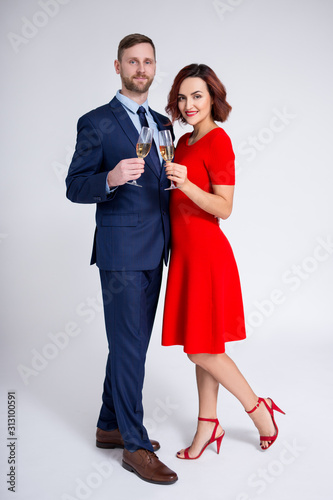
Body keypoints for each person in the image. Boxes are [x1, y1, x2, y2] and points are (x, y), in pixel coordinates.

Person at [66, 34, 178, 485]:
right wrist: (109, 178)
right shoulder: (95, 122)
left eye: (147, 61)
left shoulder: (161, 121)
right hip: (121, 254)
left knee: (131, 346)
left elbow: (161, 183)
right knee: (130, 347)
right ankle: (133, 444)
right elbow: (75, 185)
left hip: (157, 248)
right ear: (118, 67)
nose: (140, 68)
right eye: (132, 61)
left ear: (154, 67)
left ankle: (109, 424)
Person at [162, 64, 285, 460]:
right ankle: (208, 424)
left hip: (207, 256)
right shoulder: (181, 143)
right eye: (182, 97)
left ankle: (257, 409)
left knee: (201, 350)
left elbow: (224, 207)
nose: (188, 104)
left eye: (197, 95)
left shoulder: (219, 141)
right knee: (203, 342)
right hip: (184, 256)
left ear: (213, 97)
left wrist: (186, 184)